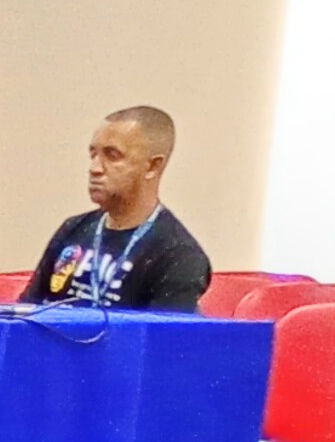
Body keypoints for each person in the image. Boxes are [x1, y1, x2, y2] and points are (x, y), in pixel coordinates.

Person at [22, 104, 212, 310]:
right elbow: (26, 311)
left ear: (152, 166)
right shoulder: (74, 228)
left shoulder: (178, 255)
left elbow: (161, 331)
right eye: (93, 155)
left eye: (112, 156)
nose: (94, 168)